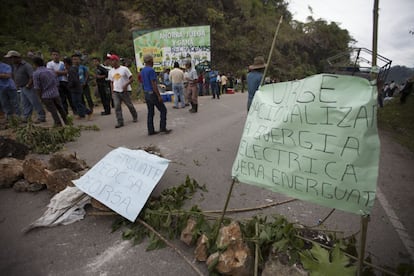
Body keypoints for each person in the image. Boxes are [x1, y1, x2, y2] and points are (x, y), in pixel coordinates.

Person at [6, 50, 46, 123]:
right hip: (22, 87)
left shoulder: (26, 65)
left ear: (16, 57)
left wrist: (28, 84)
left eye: (11, 58)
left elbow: (32, 76)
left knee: (35, 102)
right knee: (25, 103)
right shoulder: (15, 66)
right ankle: (26, 117)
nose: (10, 60)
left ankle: (41, 116)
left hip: (29, 87)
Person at [32, 57, 68, 127]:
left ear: (35, 64)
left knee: (53, 111)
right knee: (60, 108)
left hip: (46, 95)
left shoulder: (36, 73)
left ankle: (58, 124)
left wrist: (40, 97)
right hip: (55, 93)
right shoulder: (51, 71)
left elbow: (37, 87)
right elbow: (57, 82)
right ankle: (67, 121)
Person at [140, 54, 171, 135]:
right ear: (150, 61)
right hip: (152, 93)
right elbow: (153, 84)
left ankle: (150, 130)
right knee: (163, 110)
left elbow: (143, 83)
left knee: (150, 112)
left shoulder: (142, 71)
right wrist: (159, 96)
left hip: (147, 93)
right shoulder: (151, 70)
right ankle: (162, 128)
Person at [107, 54, 137, 128]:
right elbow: (111, 82)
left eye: (112, 60)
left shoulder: (124, 69)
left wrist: (126, 85)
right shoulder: (110, 71)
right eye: (110, 61)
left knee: (129, 105)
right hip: (116, 91)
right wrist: (112, 91)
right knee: (117, 106)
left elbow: (132, 79)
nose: (111, 62)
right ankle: (120, 122)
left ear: (117, 61)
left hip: (124, 91)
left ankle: (135, 116)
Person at [46, 49, 76, 115]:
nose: (55, 56)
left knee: (70, 97)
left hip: (65, 82)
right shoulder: (49, 64)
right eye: (54, 55)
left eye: (56, 55)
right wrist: (61, 72)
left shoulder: (62, 63)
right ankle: (66, 112)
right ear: (51, 56)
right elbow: (51, 73)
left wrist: (57, 72)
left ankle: (75, 111)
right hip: (57, 83)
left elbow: (67, 71)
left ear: (59, 55)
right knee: (62, 99)